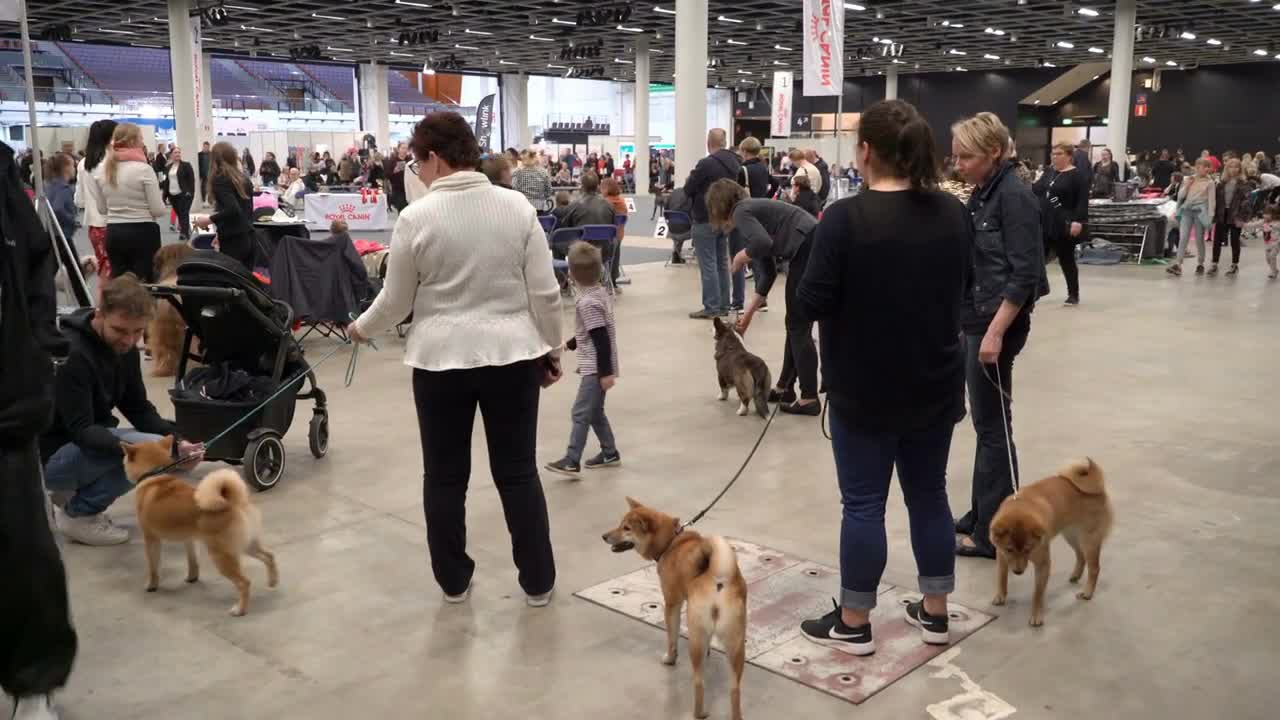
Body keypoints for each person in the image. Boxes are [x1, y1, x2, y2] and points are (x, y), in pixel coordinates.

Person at [347, 111, 562, 607]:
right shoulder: (516, 208)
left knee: (444, 478)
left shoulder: (415, 218)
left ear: (436, 158)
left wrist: (361, 328)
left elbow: (397, 302)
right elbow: (546, 294)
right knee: (518, 473)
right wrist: (550, 347)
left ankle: (453, 581)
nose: (415, 171)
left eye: (417, 161)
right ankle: (537, 581)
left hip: (439, 362)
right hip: (512, 358)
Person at [792, 99, 971, 654]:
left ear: (864, 152)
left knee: (864, 505)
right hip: (935, 381)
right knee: (930, 496)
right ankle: (936, 612)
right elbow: (965, 292)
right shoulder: (952, 213)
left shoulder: (845, 219)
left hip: (863, 389)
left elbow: (810, 302)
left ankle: (854, 621)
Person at [0, 137, 78, 720]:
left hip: (9, 405)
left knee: (23, 552)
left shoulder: (4, 179)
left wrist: (41, 359)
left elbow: (35, 267)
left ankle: (33, 685)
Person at [950, 111, 1048, 559]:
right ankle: (980, 512)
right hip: (977, 319)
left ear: (992, 152)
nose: (958, 165)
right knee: (986, 423)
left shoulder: (1014, 197)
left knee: (993, 428)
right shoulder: (984, 193)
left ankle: (999, 531)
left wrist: (994, 334)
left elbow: (1025, 273)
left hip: (997, 325)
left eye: (965, 157)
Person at [42, 275, 202, 546]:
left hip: (78, 446)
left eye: (138, 332)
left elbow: (138, 408)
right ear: (99, 314)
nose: (129, 341)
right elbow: (81, 430)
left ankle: (72, 494)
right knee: (153, 454)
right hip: (47, 457)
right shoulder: (72, 353)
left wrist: (178, 440)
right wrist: (144, 449)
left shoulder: (124, 349)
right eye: (120, 330)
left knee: (165, 451)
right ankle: (78, 515)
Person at [707, 180, 820, 415]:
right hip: (808, 245)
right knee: (795, 323)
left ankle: (809, 398)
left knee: (798, 325)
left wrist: (740, 256)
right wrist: (747, 316)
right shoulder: (751, 215)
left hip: (807, 246)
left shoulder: (741, 211)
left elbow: (761, 243)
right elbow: (767, 274)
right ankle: (784, 388)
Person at [545, 241, 622, 477]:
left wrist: (606, 373)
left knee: (580, 412)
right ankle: (609, 453)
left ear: (571, 273)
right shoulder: (599, 293)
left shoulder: (587, 303)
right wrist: (568, 345)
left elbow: (600, 340)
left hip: (595, 369)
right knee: (595, 412)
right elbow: (591, 332)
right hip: (598, 366)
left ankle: (572, 459)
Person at [684, 128, 744, 319]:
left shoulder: (706, 164)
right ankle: (724, 305)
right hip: (725, 218)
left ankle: (711, 307)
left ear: (708, 142)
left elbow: (688, 188)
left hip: (704, 218)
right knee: (722, 263)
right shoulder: (735, 163)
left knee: (708, 264)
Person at [99, 123, 166, 282]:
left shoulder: (104, 169)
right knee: (147, 283)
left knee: (119, 284)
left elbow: (102, 209)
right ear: (133, 141)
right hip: (142, 232)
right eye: (141, 138)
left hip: (114, 232)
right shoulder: (144, 169)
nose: (143, 142)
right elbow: (157, 210)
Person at [1034, 142, 1089, 306]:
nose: (1054, 157)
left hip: (1064, 222)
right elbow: (1037, 189)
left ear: (1069, 156)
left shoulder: (1077, 175)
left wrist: (1078, 221)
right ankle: (1034, 290)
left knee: (1066, 259)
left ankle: (1073, 293)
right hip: (1045, 221)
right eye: (1053, 154)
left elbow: (1082, 201)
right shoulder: (1049, 172)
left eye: (1059, 154)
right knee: (1038, 258)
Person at [193, 142, 255, 270]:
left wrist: (208, 220)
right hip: (248, 237)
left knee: (231, 282)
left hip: (233, 240)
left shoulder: (220, 179)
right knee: (246, 282)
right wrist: (220, 232)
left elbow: (233, 209)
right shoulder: (243, 179)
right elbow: (246, 211)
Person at [74, 119, 117, 281]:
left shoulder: (83, 164)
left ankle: (104, 306)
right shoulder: (111, 163)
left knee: (105, 273)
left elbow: (79, 200)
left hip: (94, 227)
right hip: (114, 224)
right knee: (116, 276)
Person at [1169, 158, 1216, 277]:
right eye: (1200, 166)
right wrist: (1187, 186)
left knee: (1199, 239)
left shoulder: (1210, 183)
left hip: (1200, 212)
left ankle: (1200, 263)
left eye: (1206, 167)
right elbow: (1180, 196)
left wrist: (1210, 217)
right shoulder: (1188, 179)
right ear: (1196, 167)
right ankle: (1178, 264)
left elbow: (1212, 201)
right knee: (1183, 236)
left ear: (1209, 169)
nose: (1203, 169)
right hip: (1187, 211)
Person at [1210, 157, 1252, 276]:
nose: (1233, 169)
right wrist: (1213, 215)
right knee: (1217, 240)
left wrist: (1242, 218)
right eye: (1230, 167)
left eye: (1236, 167)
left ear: (1240, 169)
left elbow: (1247, 202)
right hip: (1222, 214)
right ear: (1226, 168)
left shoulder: (1244, 183)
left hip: (1236, 215)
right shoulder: (1221, 183)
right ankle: (1214, 264)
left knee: (1235, 240)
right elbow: (1216, 200)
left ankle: (1234, 264)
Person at [161, 147, 196, 241]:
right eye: (175, 152)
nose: (177, 154)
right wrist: (164, 195)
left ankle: (184, 233)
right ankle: (186, 230)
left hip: (184, 194)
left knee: (184, 213)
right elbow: (166, 182)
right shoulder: (168, 167)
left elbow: (191, 180)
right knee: (180, 214)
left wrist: (190, 192)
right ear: (171, 154)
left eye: (179, 152)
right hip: (172, 195)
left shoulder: (186, 165)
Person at [44, 153, 78, 244]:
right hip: (63, 233)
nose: (75, 169)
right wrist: (71, 220)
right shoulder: (64, 188)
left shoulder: (49, 184)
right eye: (73, 166)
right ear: (66, 168)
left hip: (51, 231)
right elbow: (57, 208)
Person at [385, 142, 409, 211]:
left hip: (409, 189)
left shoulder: (409, 160)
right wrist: (394, 172)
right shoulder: (392, 161)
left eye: (406, 148)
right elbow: (387, 175)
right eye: (403, 148)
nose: (405, 150)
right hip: (398, 190)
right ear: (398, 149)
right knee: (402, 209)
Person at [1261, 204, 1279, 279]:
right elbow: (1254, 224)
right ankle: (1274, 269)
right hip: (1267, 244)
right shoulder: (1263, 222)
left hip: (1276, 243)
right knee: (1268, 258)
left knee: (1272, 256)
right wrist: (1244, 224)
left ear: (1273, 214)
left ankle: (1273, 272)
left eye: (1268, 214)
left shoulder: (1277, 222)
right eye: (1264, 214)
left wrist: (1273, 226)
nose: (1265, 216)